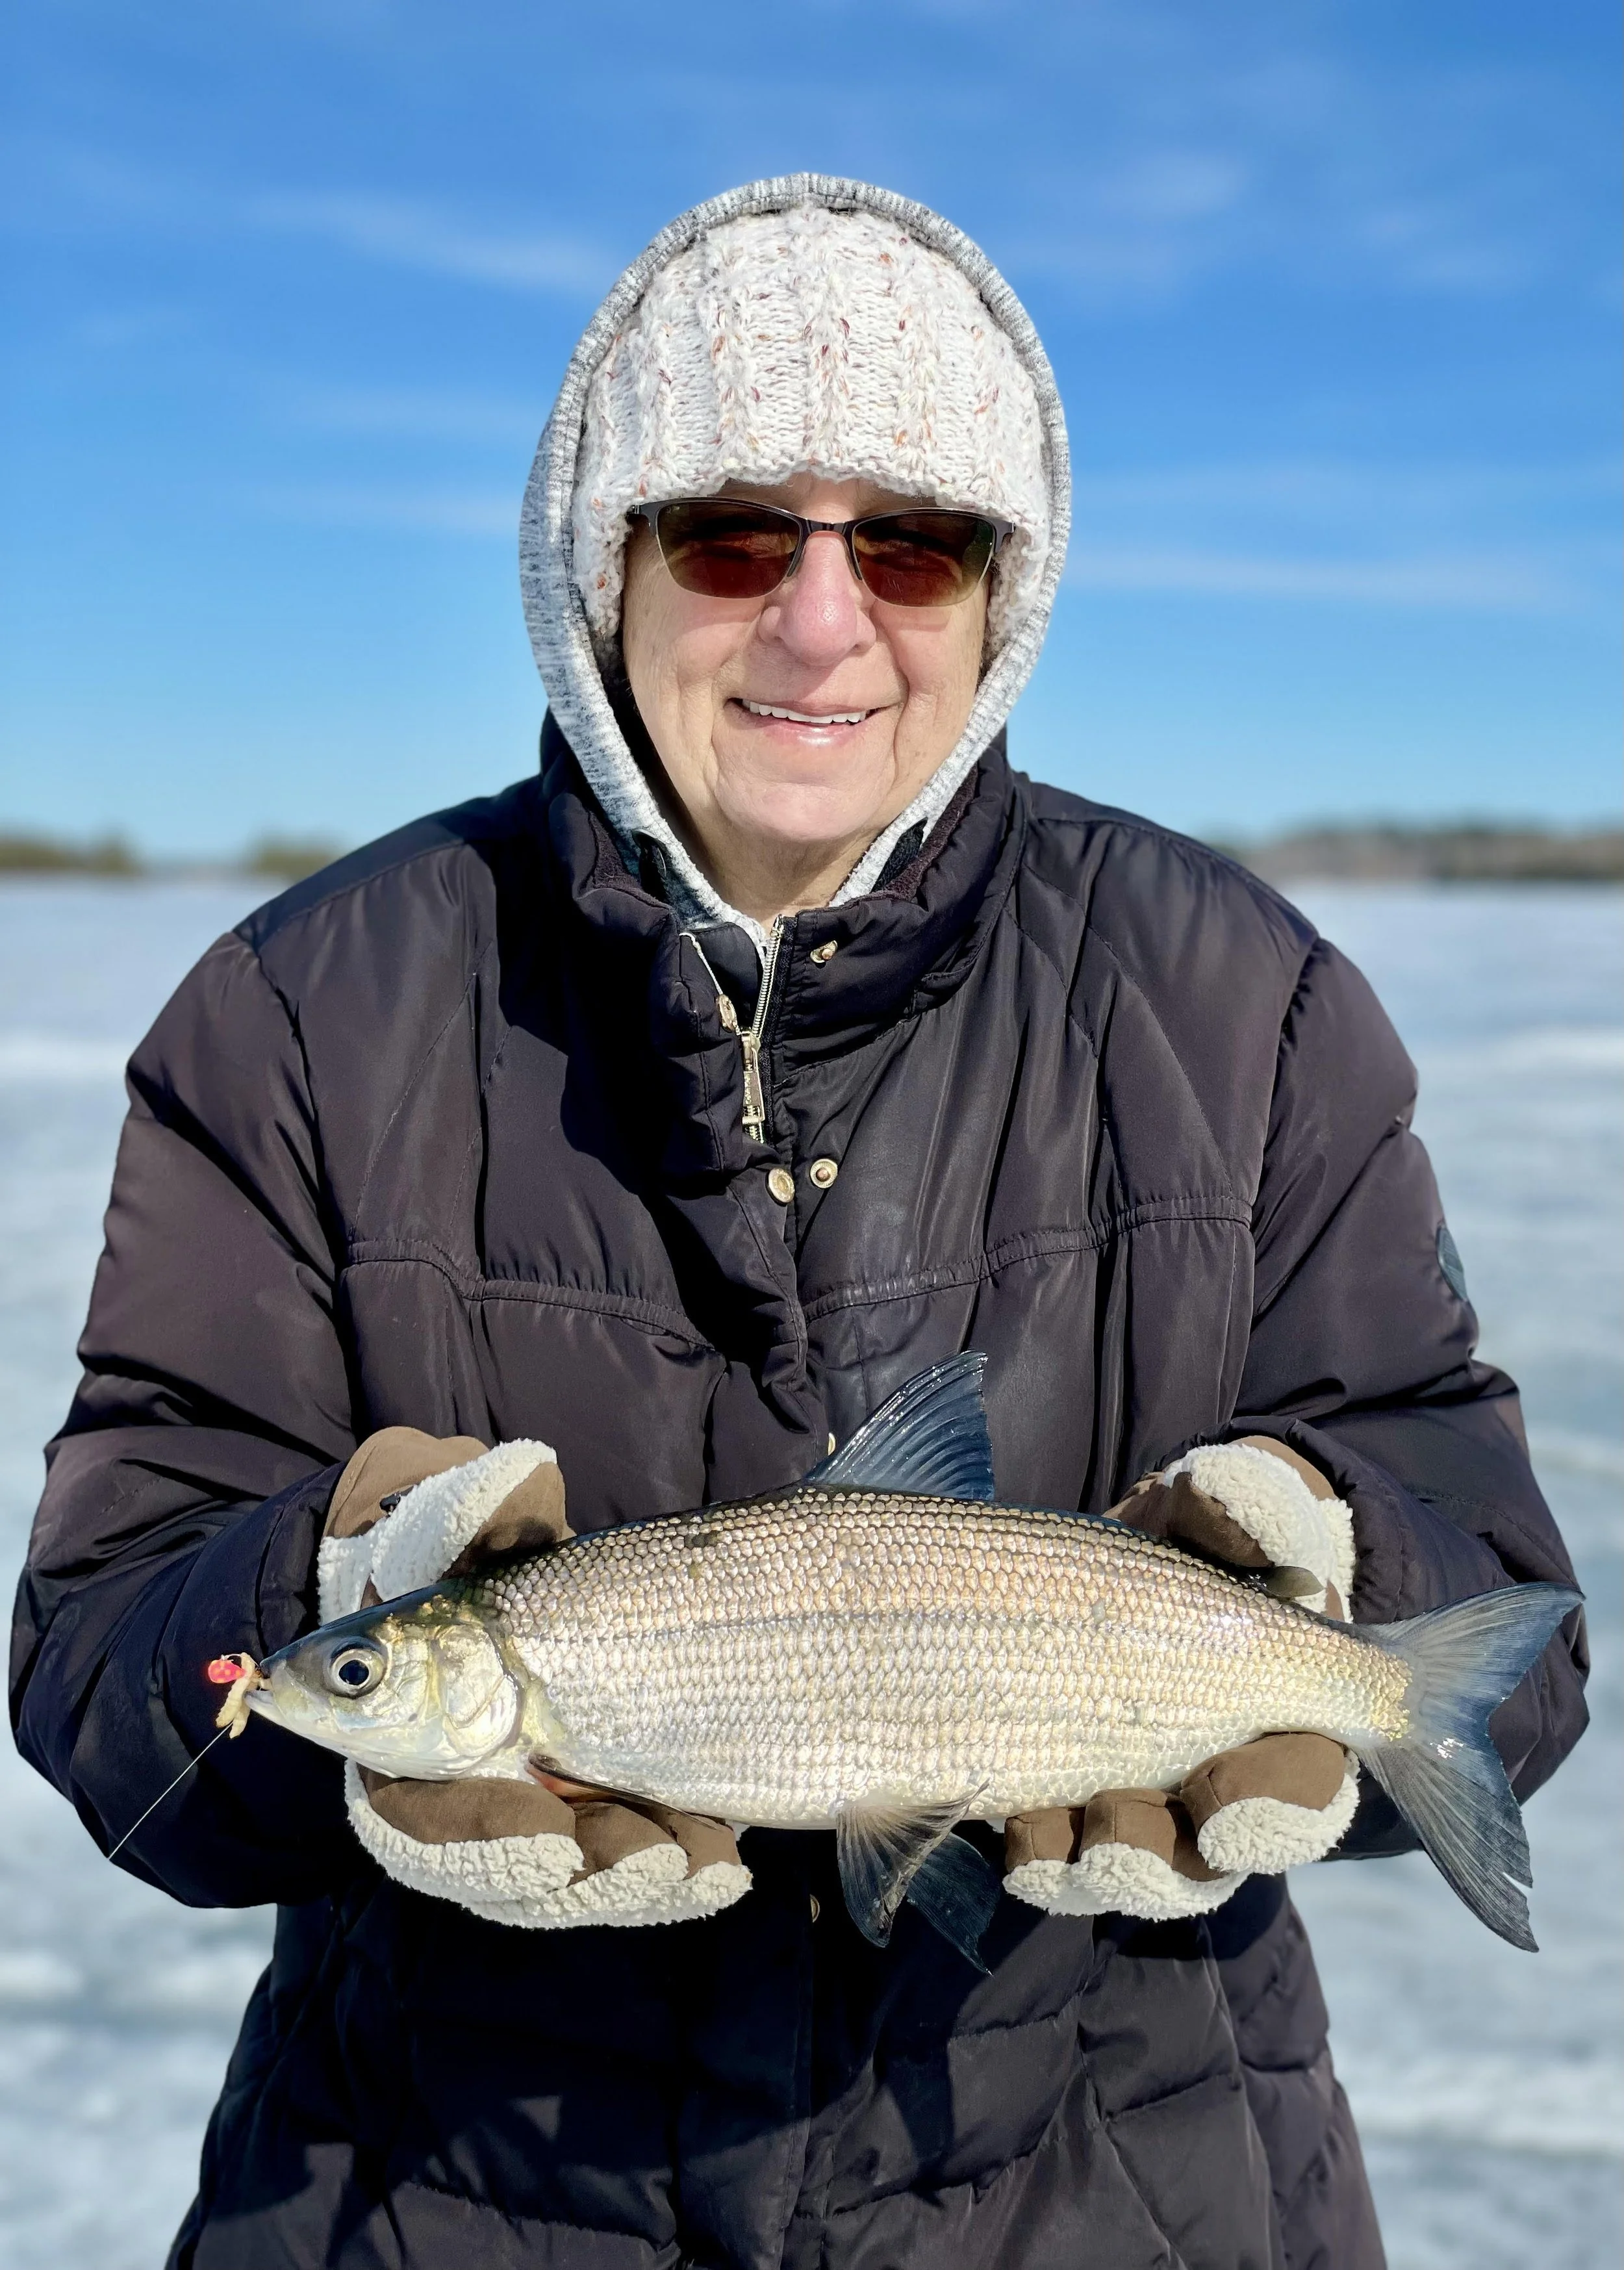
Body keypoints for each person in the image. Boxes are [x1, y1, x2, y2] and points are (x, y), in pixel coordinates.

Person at [10, 176, 1586, 2270]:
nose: (822, 621)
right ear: (606, 560)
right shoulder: (305, 1008)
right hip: (437, 2198)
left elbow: (1493, 1580)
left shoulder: (1245, 999)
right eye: (736, 530)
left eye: (913, 543)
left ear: (1002, 588)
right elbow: (116, 1649)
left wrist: (1337, 1574)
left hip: (1125, 2194)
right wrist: (316, 1606)